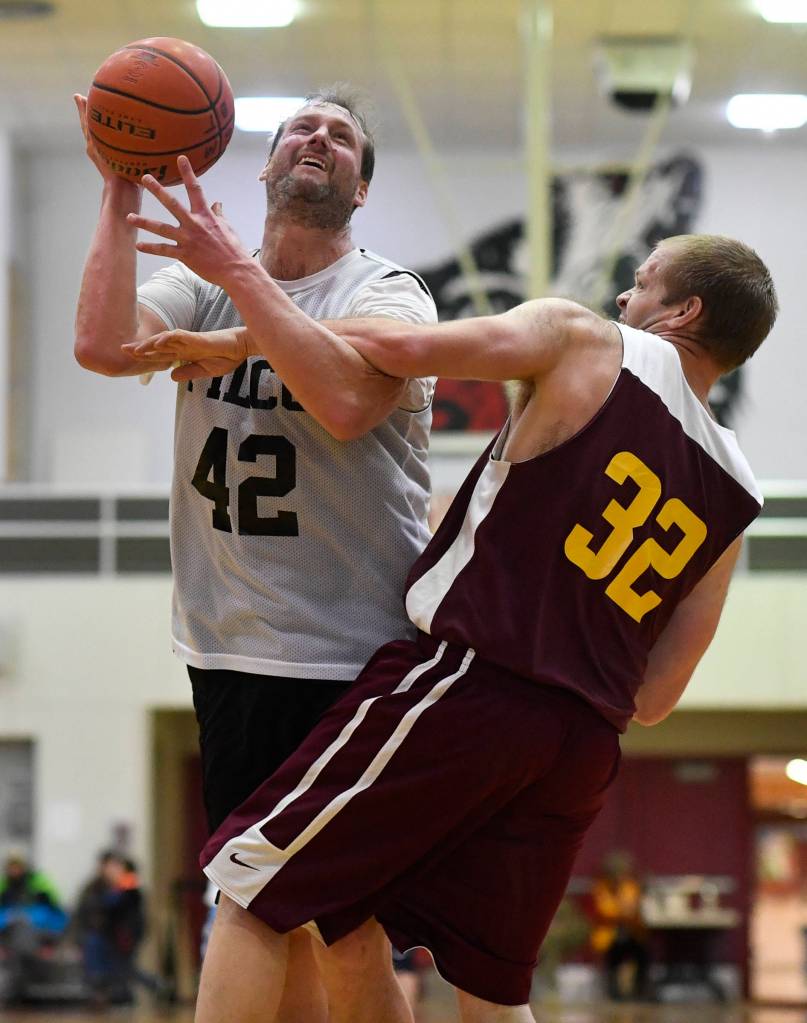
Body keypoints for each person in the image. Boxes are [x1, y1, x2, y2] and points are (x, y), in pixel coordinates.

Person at [123, 163, 775, 1023]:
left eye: (644, 280)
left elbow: (400, 349)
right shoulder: (737, 488)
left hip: (473, 683)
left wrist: (240, 334)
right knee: (492, 993)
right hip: (582, 744)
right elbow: (656, 696)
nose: (623, 296)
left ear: (682, 311)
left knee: (248, 881)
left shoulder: (583, 340)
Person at [73, 85, 437, 1023]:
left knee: (255, 899)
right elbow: (102, 345)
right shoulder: (197, 283)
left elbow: (348, 403)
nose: (317, 138)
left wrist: (235, 269)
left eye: (342, 136)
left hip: (349, 652)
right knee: (327, 925)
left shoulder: (386, 292)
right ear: (268, 166)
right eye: (300, 129)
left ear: (359, 189)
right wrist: (120, 190)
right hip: (226, 644)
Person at [590, 851, 649, 1000]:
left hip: (631, 932)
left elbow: (634, 908)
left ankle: (639, 990)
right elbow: (605, 911)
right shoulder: (601, 887)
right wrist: (624, 910)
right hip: (610, 934)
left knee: (643, 953)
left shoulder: (630, 886)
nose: (619, 876)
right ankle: (614, 993)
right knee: (614, 955)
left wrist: (625, 910)